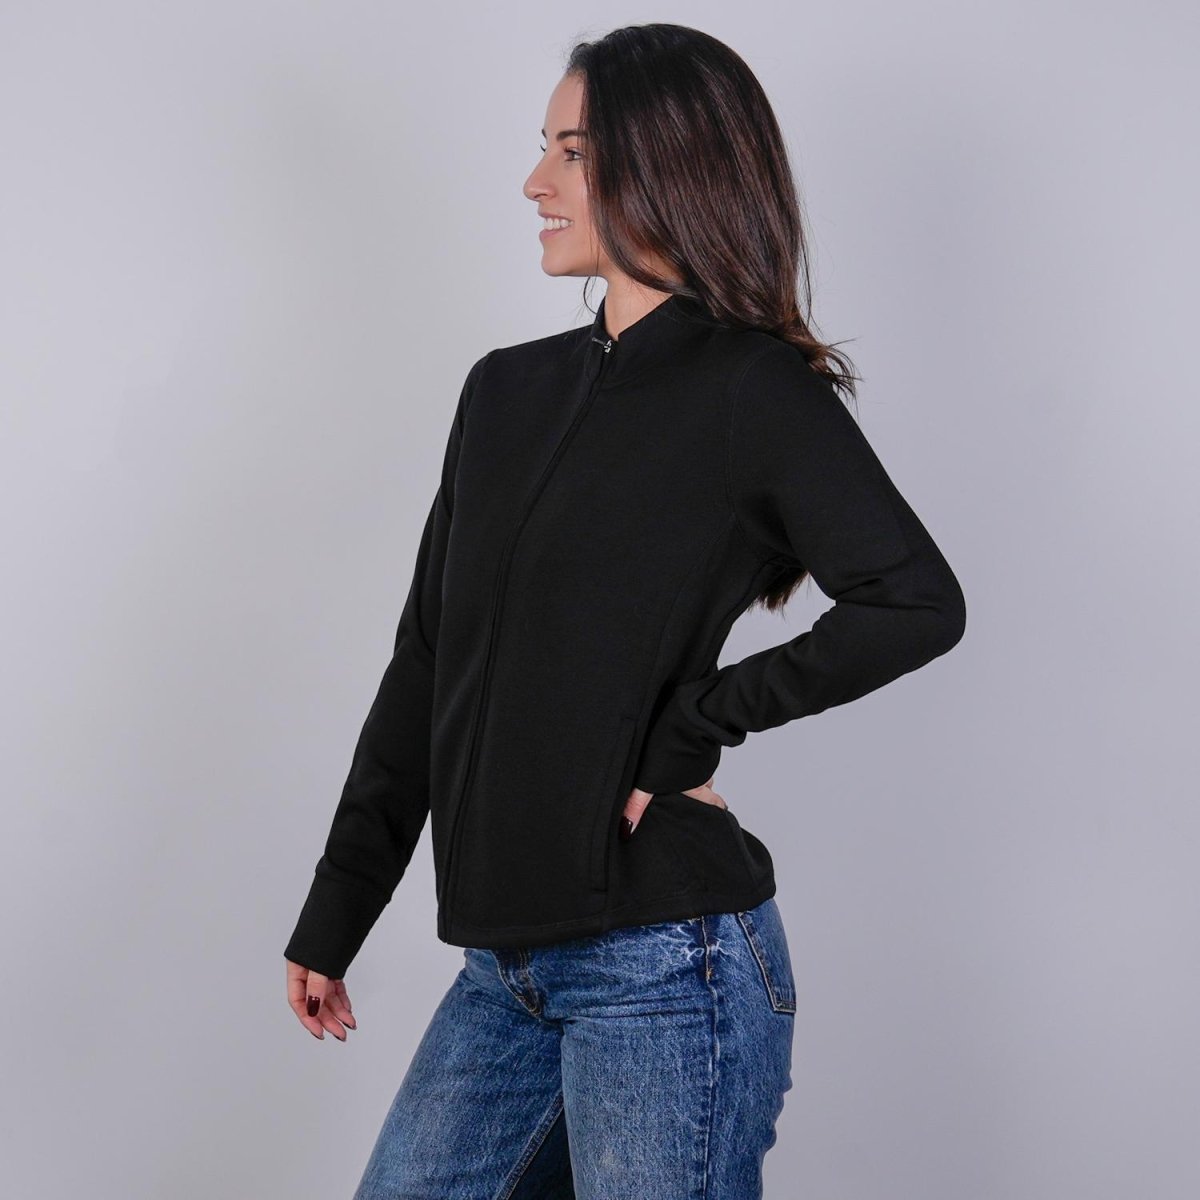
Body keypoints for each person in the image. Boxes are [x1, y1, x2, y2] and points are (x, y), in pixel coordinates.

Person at [284, 22, 966, 1199]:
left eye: (573, 153)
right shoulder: (504, 391)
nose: (534, 182)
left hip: (665, 963)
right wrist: (336, 908)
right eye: (544, 148)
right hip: (503, 971)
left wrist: (693, 724)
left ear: (666, 165)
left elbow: (914, 601)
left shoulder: (751, 389)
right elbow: (426, 661)